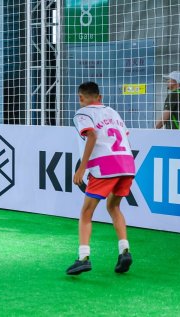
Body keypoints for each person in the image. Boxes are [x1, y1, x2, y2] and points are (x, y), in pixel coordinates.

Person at [66, 81, 135, 275]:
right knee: (114, 206)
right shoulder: (113, 112)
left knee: (86, 213)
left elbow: (92, 137)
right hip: (127, 164)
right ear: (100, 97)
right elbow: (125, 136)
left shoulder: (82, 114)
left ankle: (83, 257)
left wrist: (81, 168)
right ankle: (124, 251)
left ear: (81, 98)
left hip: (105, 166)